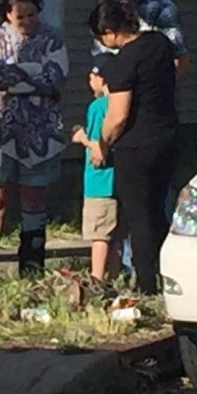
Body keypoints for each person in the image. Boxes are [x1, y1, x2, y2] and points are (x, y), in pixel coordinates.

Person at [0, 0, 69, 282]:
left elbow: (55, 77)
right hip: (1, 127)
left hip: (40, 129)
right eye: (20, 17)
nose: (27, 21)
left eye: (32, 15)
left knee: (34, 198)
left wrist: (19, 76)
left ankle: (31, 270)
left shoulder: (53, 37)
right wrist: (32, 77)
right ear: (7, 14)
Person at [91, 0, 178, 296]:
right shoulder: (160, 45)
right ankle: (172, 275)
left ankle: (146, 285)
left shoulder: (123, 62)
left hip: (136, 146)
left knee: (138, 217)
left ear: (110, 31)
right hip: (166, 138)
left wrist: (102, 142)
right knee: (158, 211)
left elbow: (118, 116)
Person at [100, 0, 190, 80]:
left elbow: (180, 60)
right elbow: (100, 54)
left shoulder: (161, 9)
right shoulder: (107, 11)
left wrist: (155, 90)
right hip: (112, 91)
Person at [71, 56, 119, 281]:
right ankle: (115, 277)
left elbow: (98, 148)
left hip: (99, 182)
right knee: (116, 235)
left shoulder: (98, 107)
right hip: (118, 180)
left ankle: (97, 279)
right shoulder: (122, 104)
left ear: (101, 78)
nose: (89, 81)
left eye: (92, 76)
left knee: (99, 235)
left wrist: (81, 138)